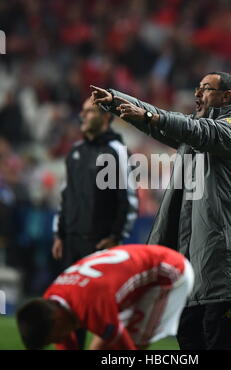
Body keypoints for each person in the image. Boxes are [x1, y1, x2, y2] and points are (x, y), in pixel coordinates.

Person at [90, 71, 231, 350]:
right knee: (188, 337)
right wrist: (115, 101)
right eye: (197, 88)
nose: (197, 94)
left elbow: (193, 129)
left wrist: (152, 117)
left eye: (206, 89)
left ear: (226, 97)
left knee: (216, 339)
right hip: (195, 259)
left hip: (225, 259)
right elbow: (163, 125)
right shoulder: (197, 131)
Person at [51, 97, 139, 348]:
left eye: (90, 111)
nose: (83, 116)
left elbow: (128, 198)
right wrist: (59, 233)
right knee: (68, 311)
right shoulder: (75, 151)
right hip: (71, 243)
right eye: (83, 111)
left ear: (107, 117)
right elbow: (65, 195)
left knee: (100, 312)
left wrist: (116, 237)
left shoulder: (117, 151)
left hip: (99, 245)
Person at [16, 244, 194, 350]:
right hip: (136, 271)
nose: (58, 341)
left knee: (133, 342)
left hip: (169, 273)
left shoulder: (92, 304)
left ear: (56, 318)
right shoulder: (53, 298)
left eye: (54, 338)